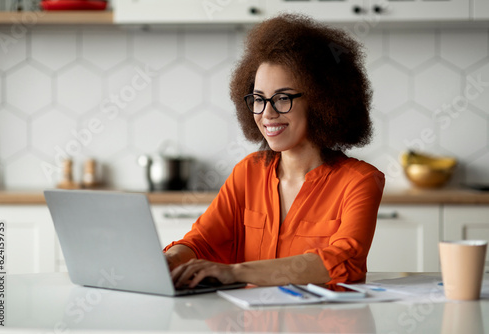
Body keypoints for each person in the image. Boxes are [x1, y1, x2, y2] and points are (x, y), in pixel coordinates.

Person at [164, 13, 385, 288]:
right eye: (258, 99)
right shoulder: (249, 172)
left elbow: (342, 262)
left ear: (322, 101)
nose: (267, 113)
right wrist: (171, 259)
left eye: (282, 98)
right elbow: (203, 241)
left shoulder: (360, 181)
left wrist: (235, 272)